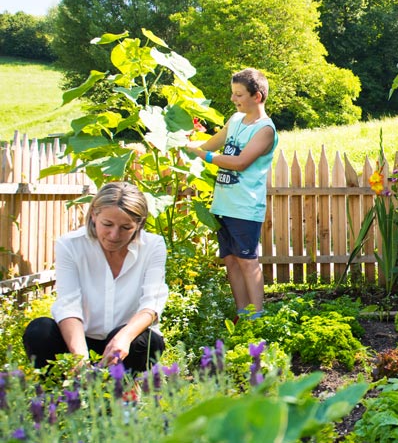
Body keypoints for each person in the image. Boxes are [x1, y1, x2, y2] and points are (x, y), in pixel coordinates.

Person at [22, 182, 168, 372]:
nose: (114, 235)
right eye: (107, 224)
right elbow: (69, 304)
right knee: (39, 331)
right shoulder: (70, 245)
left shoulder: (153, 246)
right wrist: (80, 359)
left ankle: (123, 390)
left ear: (139, 224)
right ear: (93, 215)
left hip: (126, 342)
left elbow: (152, 303)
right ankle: (59, 394)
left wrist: (124, 337)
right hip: (79, 339)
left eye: (126, 228)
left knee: (147, 341)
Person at [186, 68, 278, 320]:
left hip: (245, 207)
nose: (233, 99)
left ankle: (257, 317)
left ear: (257, 96)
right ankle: (242, 313)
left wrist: (204, 155)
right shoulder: (235, 120)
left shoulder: (265, 130)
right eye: (232, 93)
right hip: (223, 204)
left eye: (238, 94)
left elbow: (239, 163)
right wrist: (186, 144)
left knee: (248, 261)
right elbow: (210, 144)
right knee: (231, 261)